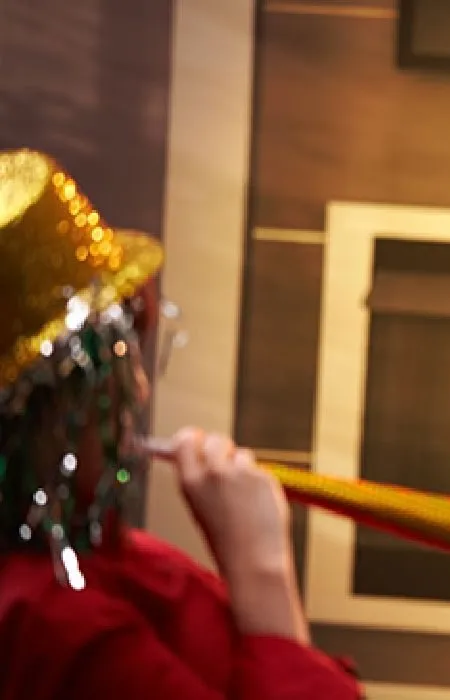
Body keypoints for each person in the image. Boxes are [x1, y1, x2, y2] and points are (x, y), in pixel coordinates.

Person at [0, 149, 362, 699]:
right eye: (110, 372)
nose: (141, 391)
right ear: (41, 411)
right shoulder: (53, 623)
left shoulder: (119, 558)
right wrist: (262, 572)